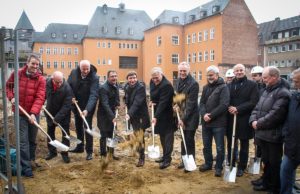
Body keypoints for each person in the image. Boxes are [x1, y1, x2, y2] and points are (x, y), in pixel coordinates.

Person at [249, 66, 290, 194]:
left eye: (265, 77)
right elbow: (256, 108)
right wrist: (253, 120)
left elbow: (275, 114)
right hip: (262, 133)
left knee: (274, 163)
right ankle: (265, 181)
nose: (263, 80)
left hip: (273, 135)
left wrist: (258, 123)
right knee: (266, 160)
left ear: (274, 77)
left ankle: (274, 187)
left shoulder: (283, 93)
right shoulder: (267, 90)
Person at [6, 54, 46, 178]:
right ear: (27, 63)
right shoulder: (17, 74)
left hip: (34, 113)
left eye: (37, 64)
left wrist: (34, 113)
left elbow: (40, 97)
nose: (35, 66)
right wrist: (11, 97)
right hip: (20, 113)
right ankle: (26, 168)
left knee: (32, 140)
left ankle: (31, 160)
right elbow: (8, 86)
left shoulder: (41, 79)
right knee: (23, 142)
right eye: (33, 63)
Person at [227, 63, 259, 177]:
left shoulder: (252, 85)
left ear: (244, 71)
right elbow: (226, 99)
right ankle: (232, 163)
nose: (239, 72)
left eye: (241, 70)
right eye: (237, 70)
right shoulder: (229, 85)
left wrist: (238, 109)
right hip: (231, 119)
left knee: (244, 144)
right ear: (234, 72)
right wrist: (230, 108)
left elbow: (253, 101)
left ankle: (242, 166)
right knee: (231, 143)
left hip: (245, 118)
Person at [199, 65, 229, 177]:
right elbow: (201, 103)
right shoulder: (206, 87)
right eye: (208, 75)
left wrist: (210, 115)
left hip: (219, 123)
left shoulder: (223, 88)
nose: (209, 77)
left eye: (211, 75)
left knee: (220, 147)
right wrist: (204, 114)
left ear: (217, 75)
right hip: (206, 123)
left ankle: (218, 167)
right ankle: (208, 163)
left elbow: (224, 105)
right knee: (206, 146)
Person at [67, 60, 99, 160]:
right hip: (76, 104)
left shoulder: (94, 77)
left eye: (87, 69)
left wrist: (87, 110)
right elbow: (68, 86)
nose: (85, 71)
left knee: (87, 127)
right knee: (78, 126)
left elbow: (94, 95)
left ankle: (89, 151)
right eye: (83, 69)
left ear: (90, 68)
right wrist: (71, 97)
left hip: (88, 106)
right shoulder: (73, 73)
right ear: (79, 68)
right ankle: (80, 147)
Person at [173, 62, 199, 171]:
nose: (182, 73)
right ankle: (184, 161)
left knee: (188, 139)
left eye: (184, 71)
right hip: (182, 114)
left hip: (191, 116)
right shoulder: (178, 81)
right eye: (181, 71)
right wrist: (175, 104)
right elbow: (177, 96)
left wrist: (183, 119)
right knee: (183, 139)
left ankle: (190, 162)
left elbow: (191, 104)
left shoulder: (193, 84)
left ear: (188, 71)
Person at [44, 71, 73, 163]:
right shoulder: (47, 83)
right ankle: (52, 152)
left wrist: (57, 118)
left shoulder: (67, 88)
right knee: (50, 133)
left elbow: (67, 105)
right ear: (52, 79)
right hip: (50, 112)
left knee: (65, 134)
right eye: (57, 82)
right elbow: (43, 95)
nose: (59, 84)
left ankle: (65, 153)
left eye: (61, 81)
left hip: (64, 114)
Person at [150, 67, 175, 169]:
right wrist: (152, 101)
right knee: (162, 136)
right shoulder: (152, 82)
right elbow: (153, 94)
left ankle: (167, 159)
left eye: (157, 78)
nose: (155, 80)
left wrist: (155, 116)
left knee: (168, 137)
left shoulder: (167, 85)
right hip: (158, 113)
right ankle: (164, 156)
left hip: (167, 115)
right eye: (153, 78)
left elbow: (163, 103)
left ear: (161, 74)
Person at [124, 71, 150, 167]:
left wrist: (129, 114)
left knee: (139, 137)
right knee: (135, 134)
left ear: (136, 78)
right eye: (130, 78)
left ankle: (142, 158)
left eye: (134, 78)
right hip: (133, 116)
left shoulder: (141, 88)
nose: (133, 80)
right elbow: (127, 97)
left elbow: (137, 102)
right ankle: (137, 151)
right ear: (128, 79)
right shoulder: (127, 87)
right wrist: (125, 101)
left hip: (141, 117)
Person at [280, 68, 300, 194]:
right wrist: (286, 133)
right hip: (292, 143)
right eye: (293, 81)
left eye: (296, 82)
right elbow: (288, 118)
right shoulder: (294, 96)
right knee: (286, 170)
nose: (293, 84)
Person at [97, 70, 120, 160]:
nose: (114, 78)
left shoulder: (116, 85)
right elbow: (105, 104)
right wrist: (112, 117)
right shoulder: (104, 88)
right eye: (112, 76)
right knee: (104, 135)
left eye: (115, 76)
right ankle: (103, 154)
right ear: (108, 77)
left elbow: (117, 96)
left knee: (112, 133)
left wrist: (117, 103)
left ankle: (111, 153)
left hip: (112, 113)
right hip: (103, 115)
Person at [250, 65, 266, 187]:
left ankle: (265, 175)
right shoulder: (257, 87)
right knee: (258, 146)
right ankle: (260, 171)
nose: (253, 78)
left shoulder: (266, 88)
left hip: (266, 123)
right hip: (257, 122)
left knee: (266, 152)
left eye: (255, 76)